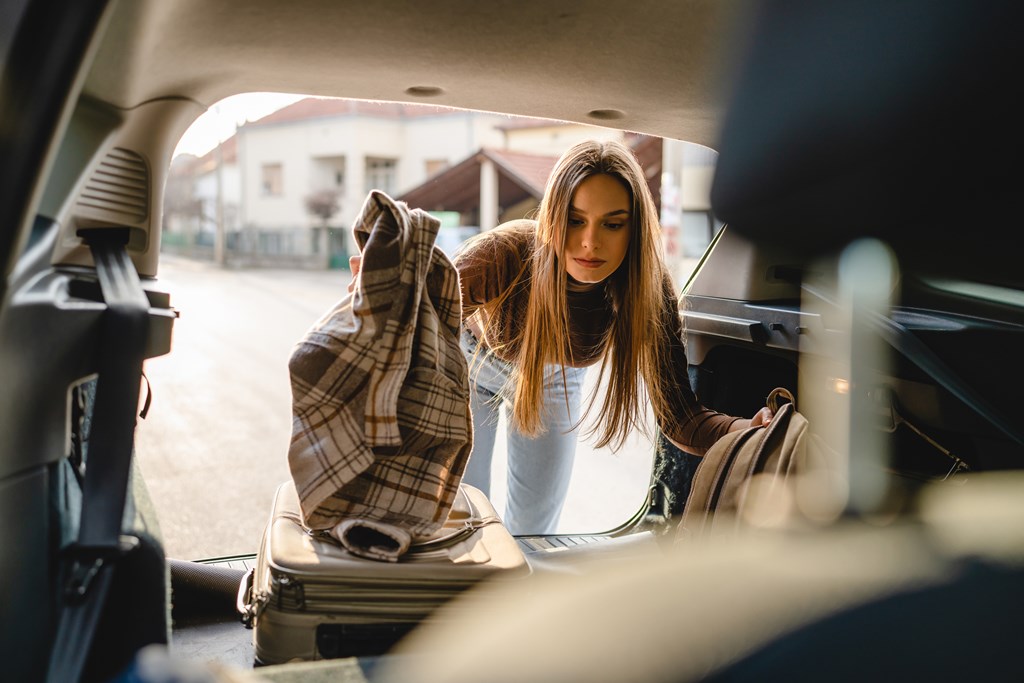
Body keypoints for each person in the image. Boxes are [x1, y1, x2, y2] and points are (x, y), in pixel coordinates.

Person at [351, 140, 772, 534]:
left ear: (635, 228)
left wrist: (747, 429)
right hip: (467, 364)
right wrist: (379, 303)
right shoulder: (503, 254)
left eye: (613, 223)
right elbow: (406, 337)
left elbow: (683, 419)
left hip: (555, 378)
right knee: (459, 514)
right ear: (553, 215)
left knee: (535, 527)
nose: (590, 242)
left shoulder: (646, 288)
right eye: (575, 220)